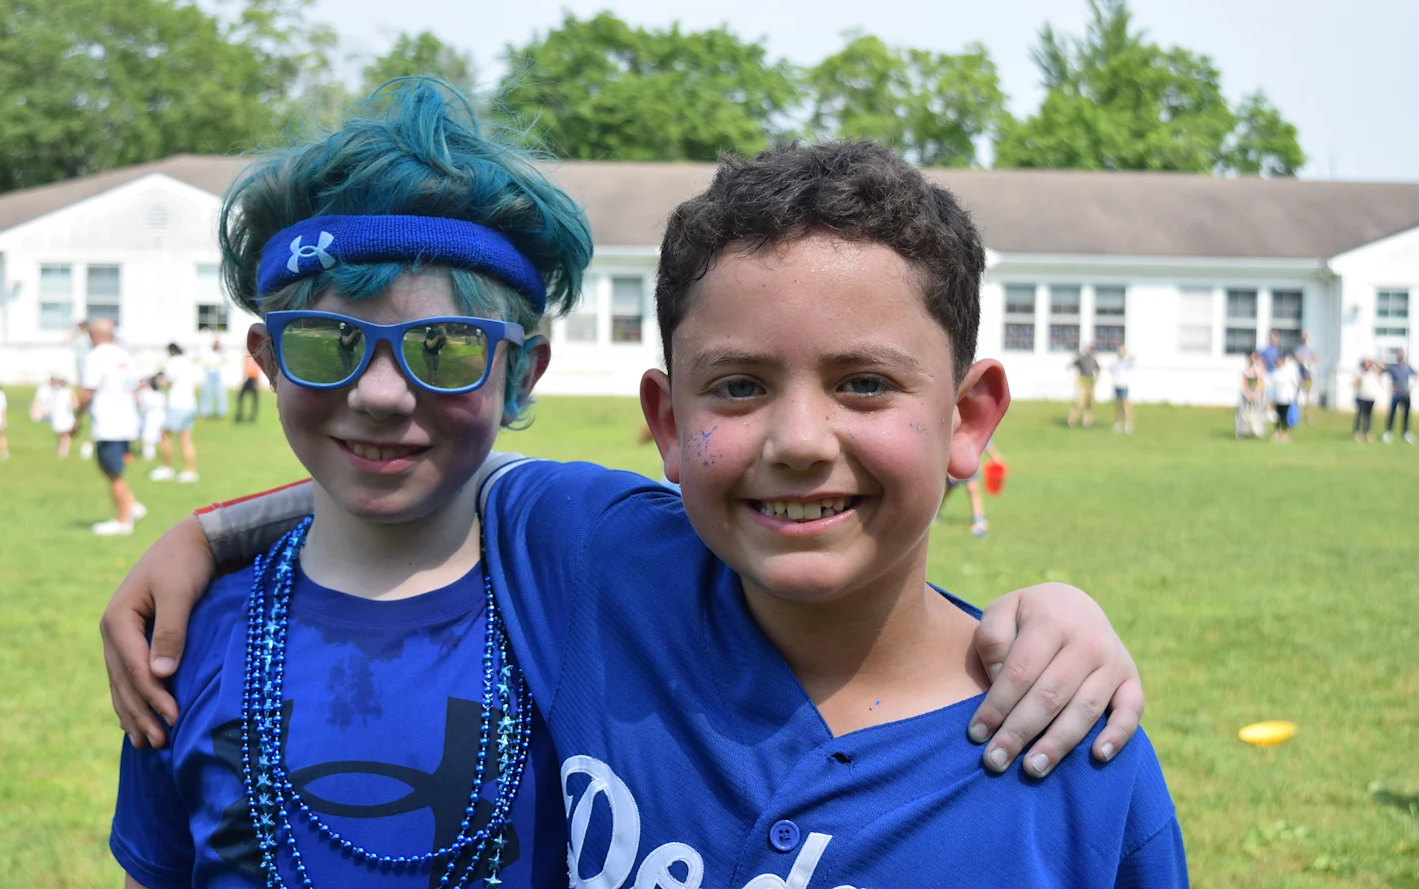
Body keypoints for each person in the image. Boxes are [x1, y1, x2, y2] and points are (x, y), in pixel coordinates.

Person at [104, 95, 1170, 888]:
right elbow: (422, 477)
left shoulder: (1070, 755)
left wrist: (1060, 612)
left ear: (969, 418)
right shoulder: (592, 563)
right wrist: (209, 535)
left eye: (863, 383)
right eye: (741, 386)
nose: (800, 440)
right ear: (666, 422)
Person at [79, 319, 147, 535]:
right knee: (111, 467)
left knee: (113, 471)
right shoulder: (124, 355)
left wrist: (76, 418)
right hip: (127, 419)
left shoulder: (96, 357)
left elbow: (87, 392)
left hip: (108, 421)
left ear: (93, 336)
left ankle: (123, 520)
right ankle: (131, 505)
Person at [151, 343, 199, 483]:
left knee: (164, 434)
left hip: (177, 404)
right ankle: (191, 471)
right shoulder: (187, 362)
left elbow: (167, 381)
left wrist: (156, 382)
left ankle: (167, 468)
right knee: (185, 438)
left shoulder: (173, 363)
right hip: (190, 404)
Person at [943, 441, 1006, 538]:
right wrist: (949, 468)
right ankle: (935, 512)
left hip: (971, 465)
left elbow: (985, 442)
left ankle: (978, 519)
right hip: (954, 467)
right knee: (946, 491)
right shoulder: (953, 429)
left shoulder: (973, 429)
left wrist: (995, 458)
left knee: (973, 490)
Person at [1379, 347, 1414, 444]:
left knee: (1406, 414)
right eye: (1399, 354)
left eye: (1402, 354)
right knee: (1392, 413)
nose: (1400, 356)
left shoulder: (1407, 367)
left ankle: (1405, 433)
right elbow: (1380, 371)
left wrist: (1411, 388)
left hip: (1405, 394)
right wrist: (1387, 387)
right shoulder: (1392, 367)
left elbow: (1416, 376)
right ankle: (1388, 433)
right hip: (1396, 394)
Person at [1267, 354, 1298, 442]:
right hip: (1276, 398)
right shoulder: (1274, 373)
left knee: (1284, 417)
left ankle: (1285, 433)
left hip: (1285, 398)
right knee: (1276, 417)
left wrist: (1292, 397)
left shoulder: (1288, 373)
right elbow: (1271, 387)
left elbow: (1293, 386)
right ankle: (1276, 433)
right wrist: (1270, 399)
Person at [1066, 344, 1099, 428]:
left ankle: (1087, 421)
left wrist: (1096, 379)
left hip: (1090, 382)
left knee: (1089, 403)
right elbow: (1070, 366)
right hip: (1082, 382)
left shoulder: (1093, 359)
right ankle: (1071, 420)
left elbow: (1098, 369)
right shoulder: (1081, 359)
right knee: (1078, 402)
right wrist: (1074, 376)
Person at [1236, 351, 1267, 439]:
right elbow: (1244, 381)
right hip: (1246, 394)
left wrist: (1255, 394)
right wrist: (1248, 394)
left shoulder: (1260, 368)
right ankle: (1242, 431)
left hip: (1257, 394)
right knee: (1243, 413)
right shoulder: (1245, 368)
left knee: (1258, 412)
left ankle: (1258, 431)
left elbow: (1261, 380)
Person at [1353, 358, 1383, 443]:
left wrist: (1376, 363)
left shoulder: (1373, 373)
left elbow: (1381, 369)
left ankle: (1368, 432)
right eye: (1367, 363)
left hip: (1370, 397)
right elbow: (1355, 383)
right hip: (1361, 397)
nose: (1368, 365)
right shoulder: (1359, 372)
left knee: (1368, 416)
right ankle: (1357, 432)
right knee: (1359, 415)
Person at [137, 376, 166, 461]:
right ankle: (153, 453)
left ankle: (149, 454)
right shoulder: (160, 394)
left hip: (151, 417)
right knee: (156, 436)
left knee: (148, 436)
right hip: (160, 416)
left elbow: (143, 405)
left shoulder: (148, 394)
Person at [197, 336, 227, 419]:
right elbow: (202, 359)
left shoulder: (220, 352)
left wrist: (220, 348)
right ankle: (204, 412)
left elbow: (224, 357)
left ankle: (221, 413)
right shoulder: (207, 351)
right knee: (206, 393)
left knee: (221, 394)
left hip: (217, 374)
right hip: (209, 373)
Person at [49, 377, 78, 458]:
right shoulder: (57, 391)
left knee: (65, 433)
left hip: (66, 415)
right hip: (59, 415)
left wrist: (70, 406)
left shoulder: (69, 391)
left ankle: (64, 449)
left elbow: (75, 403)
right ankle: (60, 448)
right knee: (60, 433)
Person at [1111, 345, 1135, 434]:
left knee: (1125, 406)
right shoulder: (1116, 362)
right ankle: (1118, 424)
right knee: (1118, 406)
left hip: (1124, 385)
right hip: (1117, 385)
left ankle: (1128, 425)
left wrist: (1127, 354)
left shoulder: (1127, 361)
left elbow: (1133, 359)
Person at [1293, 332, 1318, 421]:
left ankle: (1308, 416)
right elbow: (1296, 357)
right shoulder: (1298, 348)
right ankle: (1295, 414)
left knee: (1308, 395)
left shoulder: (1311, 348)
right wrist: (1300, 359)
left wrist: (1307, 360)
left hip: (1308, 374)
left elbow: (1316, 358)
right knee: (1295, 394)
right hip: (1299, 374)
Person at [234, 351, 262, 423]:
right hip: (247, 378)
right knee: (241, 398)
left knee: (254, 400)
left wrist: (257, 380)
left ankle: (252, 418)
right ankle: (239, 416)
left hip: (253, 378)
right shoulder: (248, 354)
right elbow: (245, 367)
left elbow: (257, 367)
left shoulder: (256, 354)